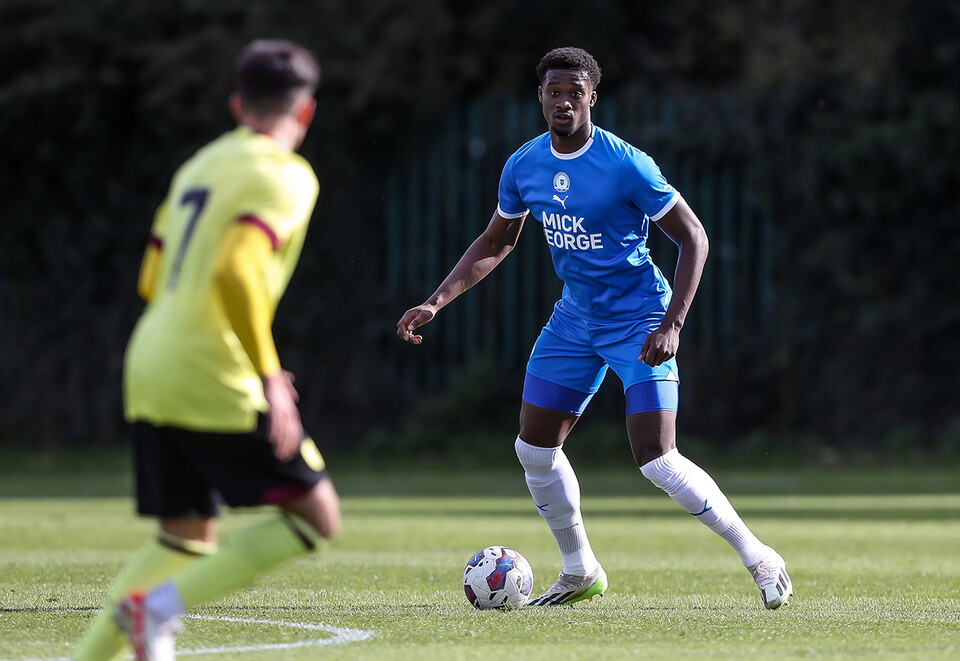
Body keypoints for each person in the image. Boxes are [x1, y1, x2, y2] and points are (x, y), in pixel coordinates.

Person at [397, 47, 792, 610]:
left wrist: (671, 323)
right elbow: (496, 242)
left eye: (574, 93)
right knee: (533, 449)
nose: (563, 102)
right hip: (574, 320)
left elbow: (694, 237)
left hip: (639, 319)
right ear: (540, 96)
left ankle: (759, 556)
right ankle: (580, 569)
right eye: (553, 91)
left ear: (591, 98)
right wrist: (436, 302)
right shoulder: (523, 165)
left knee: (657, 457)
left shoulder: (626, 163)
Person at [72, 39, 340, 661]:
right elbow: (236, 269)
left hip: (151, 359)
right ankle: (154, 611)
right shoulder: (285, 174)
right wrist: (271, 379)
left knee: (185, 536)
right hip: (211, 368)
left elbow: (149, 276)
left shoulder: (200, 165)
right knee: (315, 516)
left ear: (237, 104)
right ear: (305, 113)